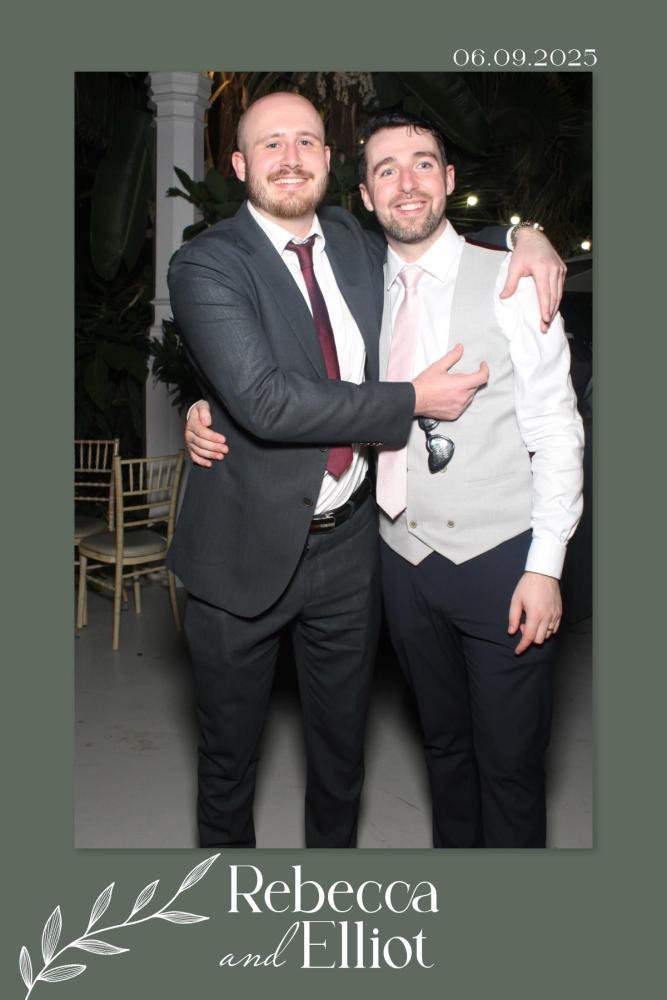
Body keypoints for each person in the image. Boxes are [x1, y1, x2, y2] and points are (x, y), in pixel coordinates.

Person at [170, 92, 567, 849]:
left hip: (355, 552)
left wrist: (527, 236)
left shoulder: (354, 243)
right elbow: (264, 399)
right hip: (241, 549)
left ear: (329, 162)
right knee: (227, 766)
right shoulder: (206, 261)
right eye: (271, 144)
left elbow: (426, 227)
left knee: (340, 761)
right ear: (239, 164)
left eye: (306, 142)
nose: (290, 159)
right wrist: (413, 399)